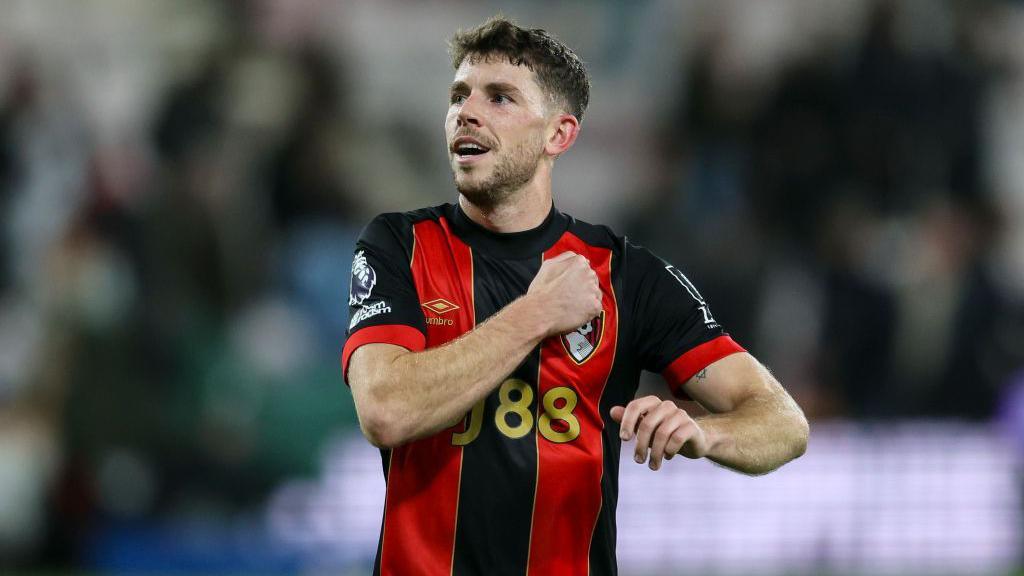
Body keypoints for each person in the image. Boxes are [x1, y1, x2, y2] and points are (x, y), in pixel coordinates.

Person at [342, 16, 809, 576]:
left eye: (500, 98)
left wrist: (704, 432)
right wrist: (537, 314)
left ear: (557, 135)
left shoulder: (627, 276)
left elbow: (784, 424)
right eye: (459, 95)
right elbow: (385, 410)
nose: (466, 111)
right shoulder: (398, 245)